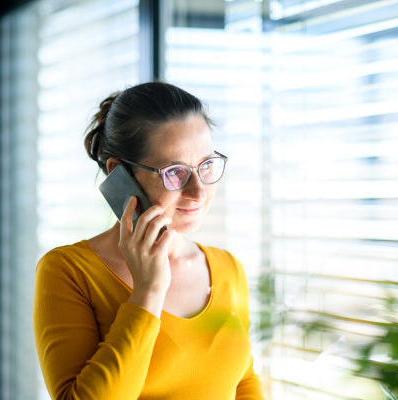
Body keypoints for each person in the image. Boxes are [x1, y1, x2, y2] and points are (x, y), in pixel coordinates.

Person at [33, 81, 264, 399]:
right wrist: (148, 292)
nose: (198, 192)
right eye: (174, 172)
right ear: (119, 174)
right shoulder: (69, 270)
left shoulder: (228, 268)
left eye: (206, 165)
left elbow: (243, 380)